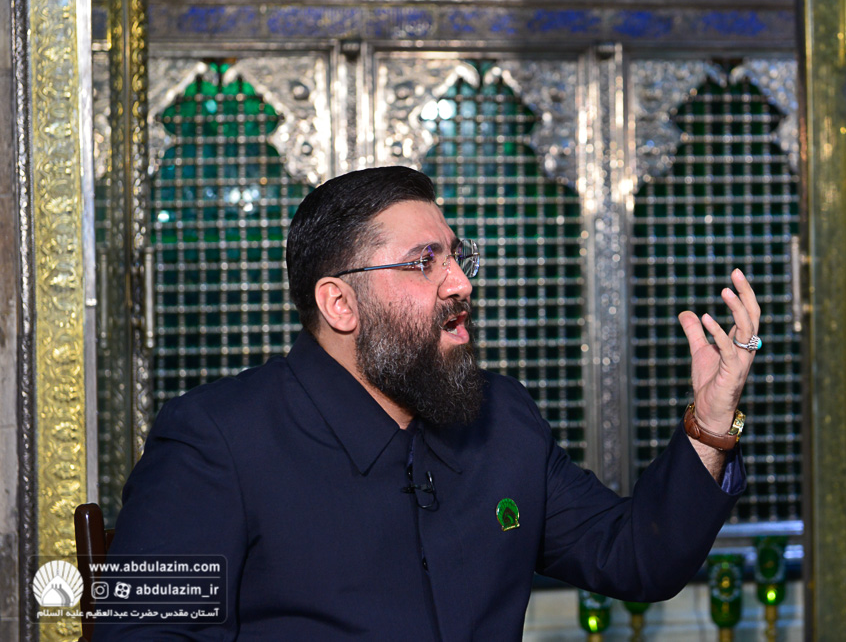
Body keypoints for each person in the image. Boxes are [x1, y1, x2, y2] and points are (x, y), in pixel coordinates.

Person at [95, 166, 760, 640]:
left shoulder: (501, 418)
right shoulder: (213, 439)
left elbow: (636, 558)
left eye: (457, 257)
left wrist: (709, 423)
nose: (460, 282)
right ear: (339, 303)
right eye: (424, 262)